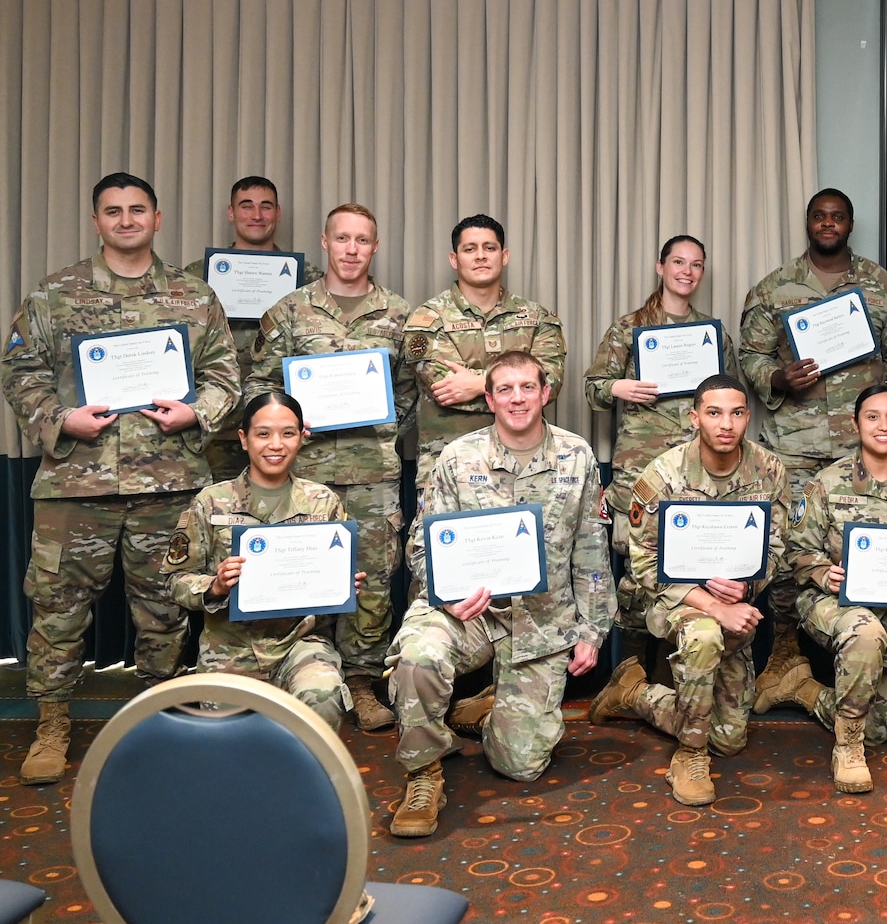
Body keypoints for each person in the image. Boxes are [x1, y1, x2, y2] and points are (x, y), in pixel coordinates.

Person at [3, 172, 241, 784]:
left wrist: (198, 413)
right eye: (114, 211)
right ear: (96, 221)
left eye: (138, 210)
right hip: (75, 484)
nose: (127, 220)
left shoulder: (193, 297)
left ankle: (157, 718)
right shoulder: (56, 294)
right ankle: (52, 723)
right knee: (58, 609)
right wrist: (60, 419)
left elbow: (225, 375)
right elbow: (20, 367)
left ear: (158, 219)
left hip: (168, 483)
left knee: (165, 608)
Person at [387, 351, 608, 838]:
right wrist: (443, 597)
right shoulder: (457, 458)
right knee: (419, 657)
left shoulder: (577, 455)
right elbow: (421, 545)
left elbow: (591, 548)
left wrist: (592, 630)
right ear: (488, 399)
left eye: (527, 387)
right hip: (469, 613)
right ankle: (424, 773)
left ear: (546, 393)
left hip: (542, 620)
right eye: (504, 389)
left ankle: (489, 711)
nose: (517, 398)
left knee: (521, 766)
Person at [739, 188, 887, 704]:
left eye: (838, 215)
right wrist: (777, 376)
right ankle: (787, 655)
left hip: (859, 449)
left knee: (866, 546)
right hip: (794, 444)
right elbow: (750, 354)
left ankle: (864, 655)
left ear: (850, 222)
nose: (828, 223)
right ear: (808, 222)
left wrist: (876, 414)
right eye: (820, 215)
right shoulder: (774, 289)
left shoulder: (884, 288)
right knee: (793, 547)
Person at [247, 203, 415, 731]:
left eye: (362, 240)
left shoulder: (400, 314)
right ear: (325, 242)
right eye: (342, 238)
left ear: (375, 246)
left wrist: (384, 422)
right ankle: (305, 677)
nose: (351, 249)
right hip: (301, 473)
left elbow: (413, 389)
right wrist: (291, 425)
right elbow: (257, 387)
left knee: (371, 580)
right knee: (299, 575)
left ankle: (364, 683)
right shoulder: (290, 311)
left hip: (372, 472)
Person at [587, 375, 789, 807]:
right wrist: (713, 606)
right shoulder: (663, 475)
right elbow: (642, 563)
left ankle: (635, 693)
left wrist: (748, 584)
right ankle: (689, 755)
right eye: (714, 413)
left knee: (730, 739)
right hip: (677, 601)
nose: (725, 424)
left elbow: (775, 546)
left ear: (747, 418)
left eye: (736, 413)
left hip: (738, 603)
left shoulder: (769, 470)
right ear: (694, 417)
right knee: (703, 635)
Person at [758, 385, 887, 792]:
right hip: (833, 603)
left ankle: (804, 689)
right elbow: (796, 551)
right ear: (855, 424)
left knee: (880, 728)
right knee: (865, 634)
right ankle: (848, 748)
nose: (883, 426)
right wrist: (822, 573)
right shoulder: (828, 483)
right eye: (872, 416)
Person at [163, 392, 362, 730]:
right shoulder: (211, 503)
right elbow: (174, 580)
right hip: (229, 648)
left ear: (302, 437)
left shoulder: (322, 502)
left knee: (323, 692)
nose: (276, 445)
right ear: (244, 439)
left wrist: (342, 584)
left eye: (288, 433)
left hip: (299, 643)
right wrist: (214, 585)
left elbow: (335, 579)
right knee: (228, 749)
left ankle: (304, 781)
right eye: (263, 433)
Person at [584, 235, 735, 641]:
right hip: (641, 475)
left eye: (696, 264)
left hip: (698, 478)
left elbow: (731, 398)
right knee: (637, 581)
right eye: (678, 262)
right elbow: (593, 388)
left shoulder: (712, 335)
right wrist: (620, 388)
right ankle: (630, 678)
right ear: (660, 267)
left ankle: (682, 675)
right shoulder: (630, 328)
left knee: (695, 576)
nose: (687, 272)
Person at [404, 214, 566, 475]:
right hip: (450, 466)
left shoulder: (537, 318)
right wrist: (521, 388)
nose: (480, 256)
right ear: (454, 259)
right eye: (470, 249)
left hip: (527, 466)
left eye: (489, 248)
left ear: (504, 256)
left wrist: (477, 384)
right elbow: (447, 390)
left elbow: (550, 383)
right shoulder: (428, 319)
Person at [186, 176, 321, 481]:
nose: (257, 215)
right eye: (246, 206)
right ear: (231, 213)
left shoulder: (308, 279)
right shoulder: (197, 278)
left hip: (282, 432)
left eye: (266, 207)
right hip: (217, 427)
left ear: (278, 213)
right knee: (220, 517)